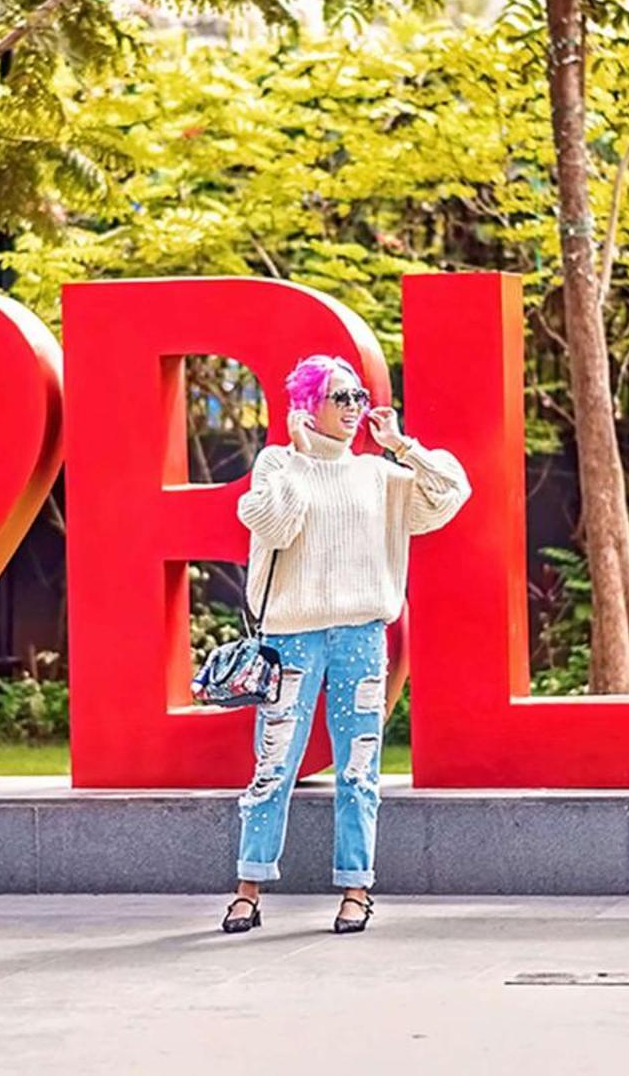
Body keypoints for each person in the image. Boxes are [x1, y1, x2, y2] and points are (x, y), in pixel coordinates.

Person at [219, 354, 471, 935]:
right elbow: (275, 525)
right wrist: (299, 457)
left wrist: (401, 445)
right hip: (290, 638)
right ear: (309, 406)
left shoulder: (379, 476)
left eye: (358, 397)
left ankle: (357, 889)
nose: (355, 409)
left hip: (361, 635)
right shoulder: (277, 464)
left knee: (359, 767)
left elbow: (453, 491)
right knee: (273, 765)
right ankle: (248, 888)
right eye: (341, 398)